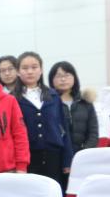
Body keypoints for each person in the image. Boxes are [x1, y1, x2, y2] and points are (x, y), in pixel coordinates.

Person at [13, 51, 73, 186]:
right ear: (18, 72)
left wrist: (67, 160)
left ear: (41, 70)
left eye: (34, 67)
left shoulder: (53, 96)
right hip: (28, 157)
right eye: (25, 68)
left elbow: (64, 129)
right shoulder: (13, 99)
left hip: (54, 156)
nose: (30, 71)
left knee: (54, 191)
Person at [49, 61, 99, 160]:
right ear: (52, 80)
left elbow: (93, 132)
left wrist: (84, 153)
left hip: (83, 156)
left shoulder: (85, 101)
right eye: (58, 76)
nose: (63, 79)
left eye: (67, 75)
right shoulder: (48, 102)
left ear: (74, 78)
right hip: (57, 157)